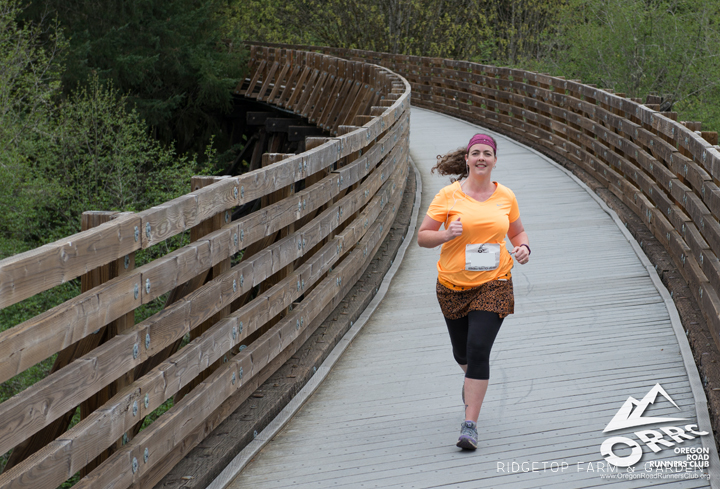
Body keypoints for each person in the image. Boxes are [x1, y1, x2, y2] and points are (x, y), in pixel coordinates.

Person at [417, 133, 530, 450]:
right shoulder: (448, 196)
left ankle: (470, 425)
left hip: (494, 282)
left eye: (487, 153)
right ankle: (472, 381)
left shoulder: (505, 195)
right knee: (463, 354)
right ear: (466, 159)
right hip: (452, 286)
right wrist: (444, 235)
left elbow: (517, 232)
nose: (481, 158)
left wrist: (523, 248)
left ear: (494, 160)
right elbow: (423, 237)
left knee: (478, 349)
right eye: (476, 153)